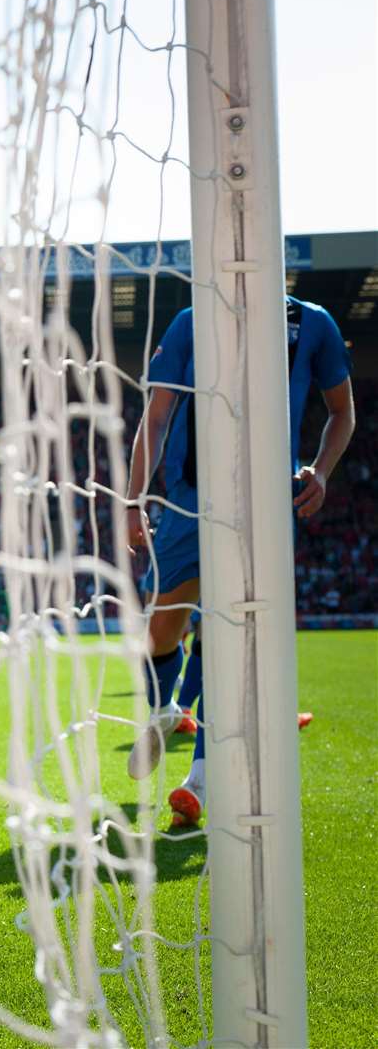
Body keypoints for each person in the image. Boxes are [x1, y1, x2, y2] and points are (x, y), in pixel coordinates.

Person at [124, 295, 353, 828]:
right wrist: (135, 498)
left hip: (264, 509)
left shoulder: (312, 322)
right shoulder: (191, 322)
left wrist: (320, 471)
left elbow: (343, 411)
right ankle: (163, 710)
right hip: (187, 502)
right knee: (160, 635)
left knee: (230, 640)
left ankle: (200, 777)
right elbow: (156, 417)